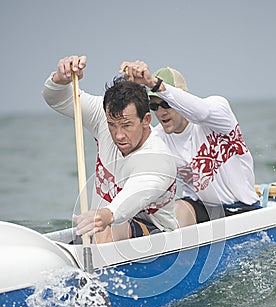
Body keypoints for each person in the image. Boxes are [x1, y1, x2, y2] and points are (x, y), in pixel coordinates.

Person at [42, 55, 177, 243]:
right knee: (100, 228)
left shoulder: (158, 159)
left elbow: (131, 198)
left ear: (146, 120)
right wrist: (61, 78)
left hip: (157, 236)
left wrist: (105, 216)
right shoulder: (104, 114)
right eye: (112, 125)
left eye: (127, 125)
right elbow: (56, 99)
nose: (118, 135)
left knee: (108, 226)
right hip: (103, 225)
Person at [119, 61, 260, 227]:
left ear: (183, 96)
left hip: (243, 209)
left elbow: (201, 112)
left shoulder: (218, 112)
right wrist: (129, 89)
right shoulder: (158, 138)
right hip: (201, 209)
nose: (161, 112)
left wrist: (152, 83)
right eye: (154, 106)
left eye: (166, 104)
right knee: (175, 211)